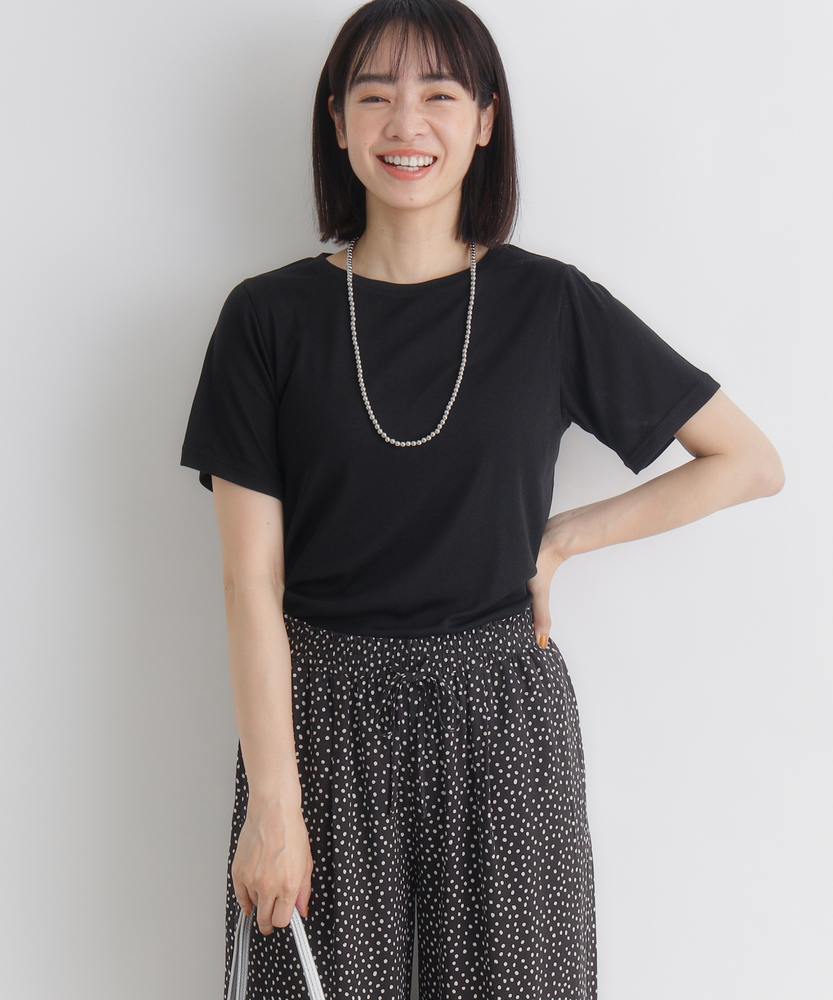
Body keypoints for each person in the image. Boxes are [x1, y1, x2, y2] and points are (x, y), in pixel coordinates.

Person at [179, 1, 784, 997]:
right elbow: (250, 582)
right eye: (374, 95)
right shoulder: (267, 319)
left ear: (485, 119)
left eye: (439, 95)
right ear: (337, 121)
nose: (404, 124)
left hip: (502, 707)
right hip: (322, 717)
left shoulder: (548, 304)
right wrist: (273, 802)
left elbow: (747, 461)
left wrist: (563, 538)